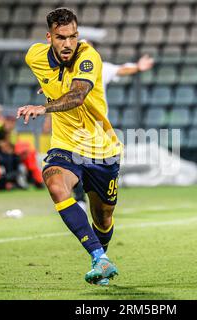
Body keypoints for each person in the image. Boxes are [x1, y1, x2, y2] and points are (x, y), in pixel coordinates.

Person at [17, 8, 122, 285]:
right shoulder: (34, 56)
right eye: (62, 37)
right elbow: (53, 78)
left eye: (73, 36)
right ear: (49, 36)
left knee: (104, 216)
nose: (68, 44)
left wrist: (44, 106)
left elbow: (76, 95)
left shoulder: (89, 57)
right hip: (66, 145)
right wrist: (49, 86)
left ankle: (102, 256)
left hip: (101, 150)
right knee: (53, 181)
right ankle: (98, 257)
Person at [41, 48, 154, 210]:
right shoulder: (63, 71)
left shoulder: (98, 65)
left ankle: (98, 197)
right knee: (73, 160)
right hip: (71, 127)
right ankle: (80, 197)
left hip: (96, 127)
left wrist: (137, 67)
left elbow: (121, 69)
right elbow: (56, 96)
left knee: (95, 164)